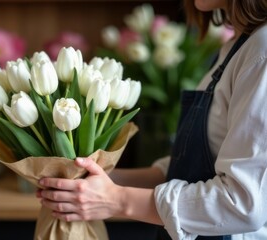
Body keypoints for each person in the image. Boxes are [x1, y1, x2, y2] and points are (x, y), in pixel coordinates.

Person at [37, 0, 267, 239]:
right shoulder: (236, 47)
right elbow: (195, 167)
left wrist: (116, 199)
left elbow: (243, 205)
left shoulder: (262, 50)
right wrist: (93, 180)